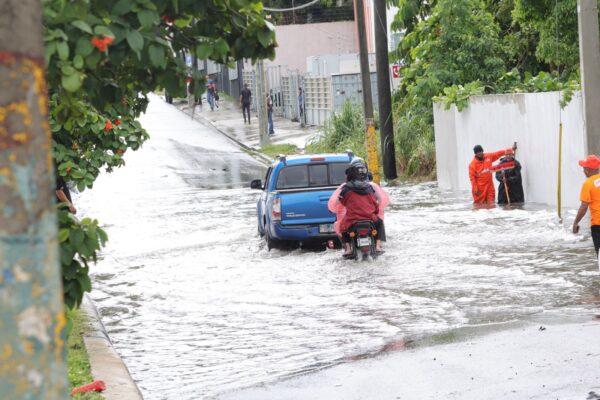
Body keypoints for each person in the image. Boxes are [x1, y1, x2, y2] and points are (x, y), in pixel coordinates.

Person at [328, 158, 387, 256]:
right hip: (370, 218)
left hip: (352, 219)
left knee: (342, 227)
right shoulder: (370, 188)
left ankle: (348, 249)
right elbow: (378, 201)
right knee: (380, 223)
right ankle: (378, 246)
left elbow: (338, 202)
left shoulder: (346, 189)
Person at [572, 155, 600, 257]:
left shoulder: (588, 184)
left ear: (588, 170)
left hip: (598, 225)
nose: (583, 170)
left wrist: (575, 223)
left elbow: (584, 206)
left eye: (584, 168)